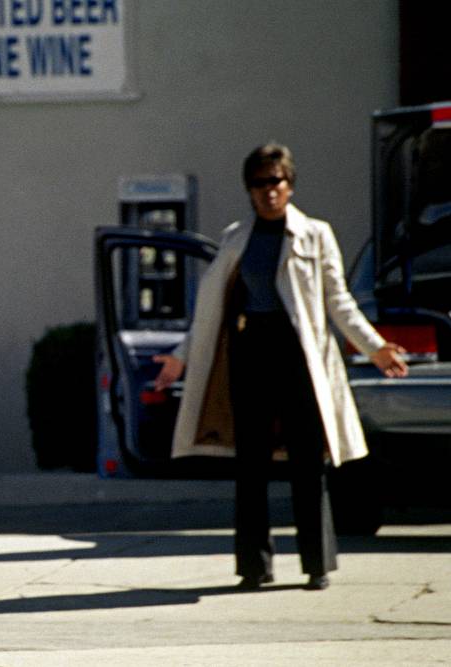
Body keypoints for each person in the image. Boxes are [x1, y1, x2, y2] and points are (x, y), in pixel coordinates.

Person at [153, 143, 408, 591]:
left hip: (301, 357)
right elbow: (210, 310)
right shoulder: (237, 236)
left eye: (276, 182)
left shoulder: (315, 234)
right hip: (251, 352)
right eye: (260, 183)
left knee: (308, 464)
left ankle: (316, 565)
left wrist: (374, 347)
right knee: (250, 466)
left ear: (289, 185)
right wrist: (180, 356)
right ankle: (254, 566)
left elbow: (338, 300)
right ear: (249, 190)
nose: (269, 192)